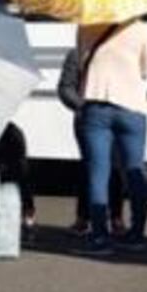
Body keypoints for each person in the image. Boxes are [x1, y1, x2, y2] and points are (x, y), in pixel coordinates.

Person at [74, 18, 147, 255]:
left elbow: (81, 63)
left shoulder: (86, 26)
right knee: (135, 171)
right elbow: (146, 70)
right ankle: (136, 235)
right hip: (132, 107)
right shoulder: (140, 28)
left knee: (98, 173)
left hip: (96, 106)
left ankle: (99, 237)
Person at [57, 49, 128, 237]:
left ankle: (116, 217)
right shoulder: (77, 54)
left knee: (116, 166)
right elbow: (65, 88)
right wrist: (83, 106)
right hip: (87, 119)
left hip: (117, 117)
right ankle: (85, 217)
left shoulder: (121, 52)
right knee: (91, 165)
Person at [0, 123, 35, 238]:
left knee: (23, 172)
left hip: (6, 168)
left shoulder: (12, 132)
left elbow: (19, 159)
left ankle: (28, 213)